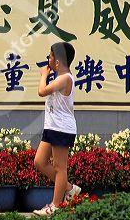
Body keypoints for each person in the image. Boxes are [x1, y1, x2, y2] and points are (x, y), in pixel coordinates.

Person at [33, 42, 81, 216]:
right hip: (52, 127)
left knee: (60, 168)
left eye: (51, 56)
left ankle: (55, 205)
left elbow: (42, 91)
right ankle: (68, 188)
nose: (49, 59)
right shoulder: (60, 77)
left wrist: (43, 75)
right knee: (39, 162)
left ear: (59, 60)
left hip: (62, 128)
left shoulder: (65, 78)